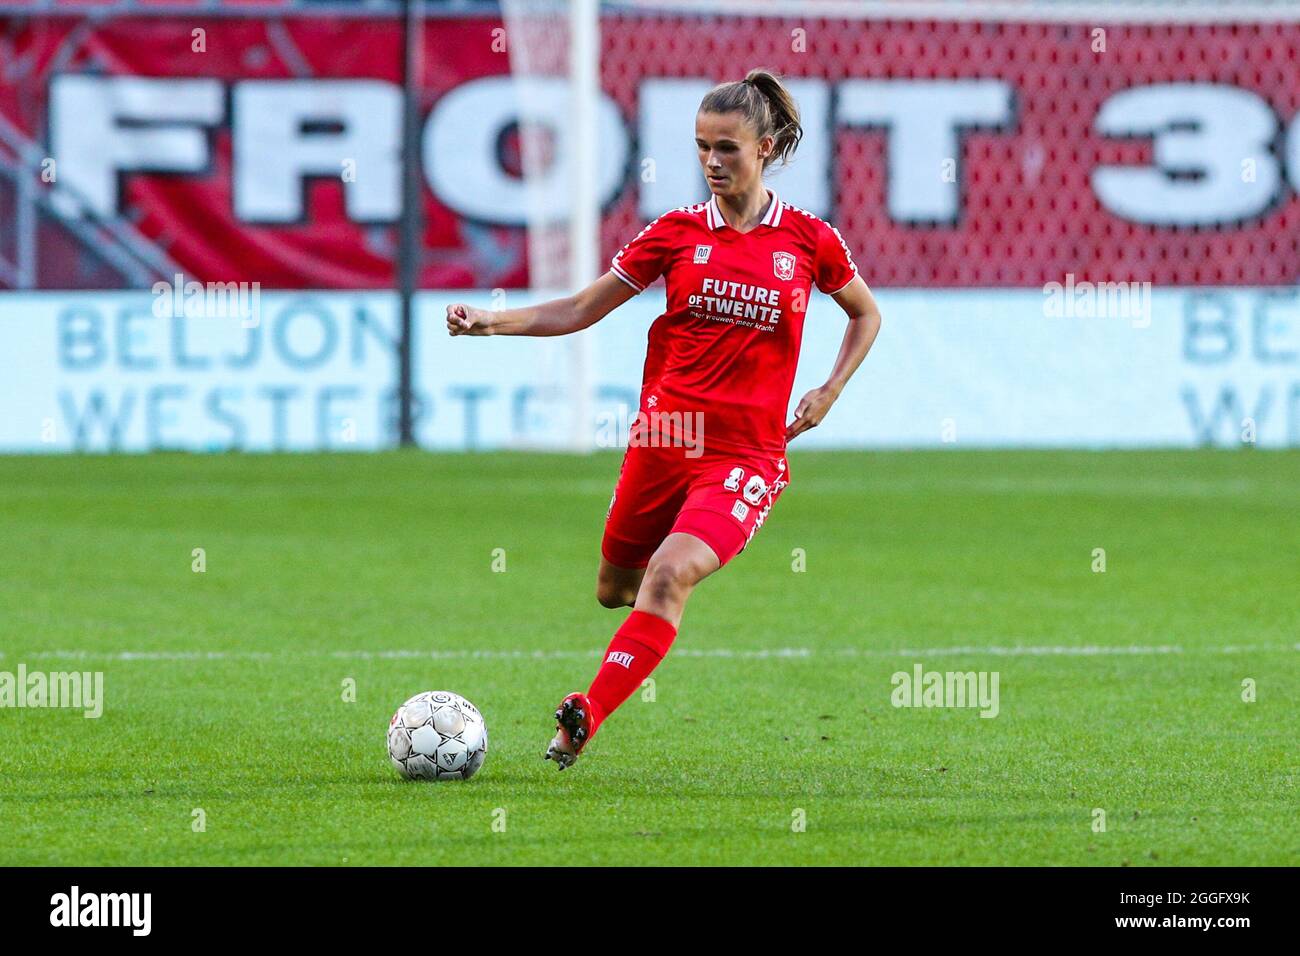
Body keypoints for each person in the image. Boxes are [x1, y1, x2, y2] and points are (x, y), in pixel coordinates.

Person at [446, 68, 882, 770]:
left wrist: (828, 391)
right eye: (703, 147)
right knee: (613, 589)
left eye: (728, 148)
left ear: (765, 148)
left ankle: (584, 712)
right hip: (664, 439)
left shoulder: (808, 241)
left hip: (746, 455)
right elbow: (581, 308)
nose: (712, 161)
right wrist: (491, 321)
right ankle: (650, 603)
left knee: (670, 574)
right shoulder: (675, 234)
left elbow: (865, 312)